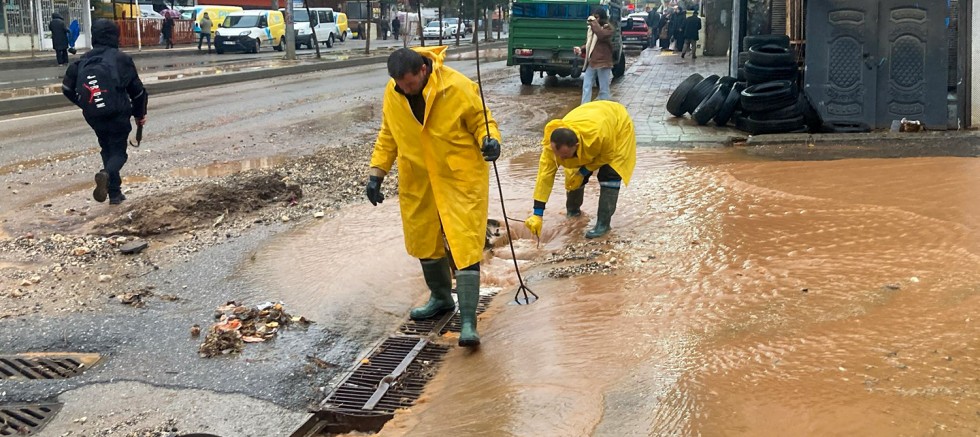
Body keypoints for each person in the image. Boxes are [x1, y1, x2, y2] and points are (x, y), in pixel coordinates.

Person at [365, 47, 501, 348]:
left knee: (465, 241)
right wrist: (377, 173)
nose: (405, 88)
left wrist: (489, 140)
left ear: (423, 71)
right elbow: (389, 133)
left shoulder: (457, 86)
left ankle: (468, 321)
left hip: (458, 173)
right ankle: (440, 298)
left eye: (410, 83)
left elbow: (482, 120)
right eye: (400, 84)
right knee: (423, 237)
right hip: (418, 175)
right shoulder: (394, 92)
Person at [62, 19, 148, 205]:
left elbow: (66, 89)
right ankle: (106, 175)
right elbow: (138, 92)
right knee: (119, 153)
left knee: (106, 148)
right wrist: (139, 114)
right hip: (117, 113)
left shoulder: (82, 61)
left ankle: (114, 194)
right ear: (114, 36)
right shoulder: (121, 59)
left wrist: (84, 104)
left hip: (94, 115)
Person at [524, 101, 635, 239]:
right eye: (557, 155)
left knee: (610, 174)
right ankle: (573, 212)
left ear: (576, 146)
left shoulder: (599, 135)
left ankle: (603, 224)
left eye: (564, 155)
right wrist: (537, 213)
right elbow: (544, 176)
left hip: (617, 126)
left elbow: (608, 155)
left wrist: (584, 171)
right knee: (572, 175)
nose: (560, 159)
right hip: (591, 115)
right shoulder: (551, 148)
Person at [574, 8, 614, 106]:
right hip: (592, 62)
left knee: (604, 88)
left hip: (603, 63)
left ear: (602, 18)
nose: (594, 20)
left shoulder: (608, 29)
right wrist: (581, 49)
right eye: (593, 17)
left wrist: (594, 23)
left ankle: (605, 107)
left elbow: (600, 35)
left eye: (597, 17)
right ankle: (584, 107)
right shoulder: (592, 29)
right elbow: (590, 44)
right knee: (586, 85)